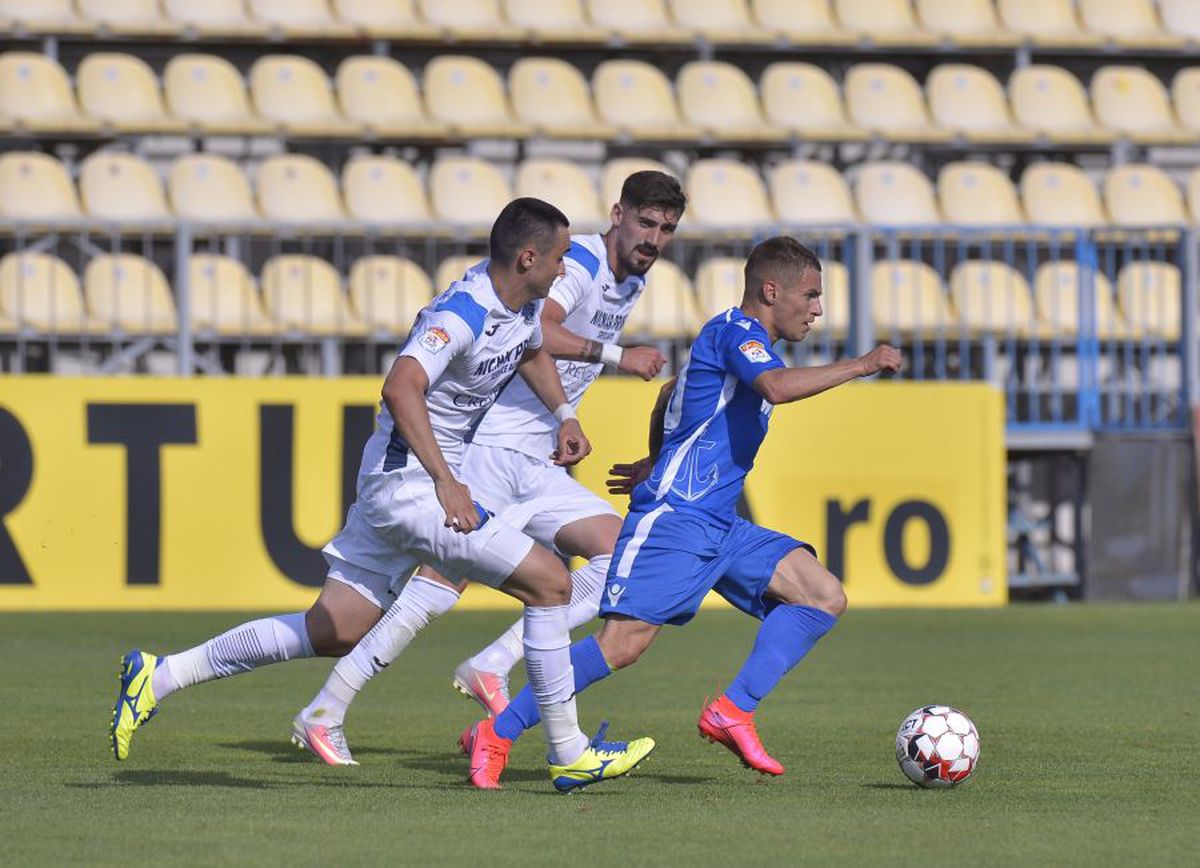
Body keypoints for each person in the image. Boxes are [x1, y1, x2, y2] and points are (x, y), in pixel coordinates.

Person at [109, 198, 654, 793]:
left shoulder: (518, 307)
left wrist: (563, 414)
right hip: (411, 489)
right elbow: (401, 386)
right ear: (529, 257)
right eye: (558, 256)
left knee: (335, 628)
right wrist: (448, 482)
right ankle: (568, 750)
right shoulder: (464, 310)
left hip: (392, 486)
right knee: (549, 582)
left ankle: (160, 675)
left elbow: (528, 352)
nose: (564, 267)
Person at [460, 236, 904, 788]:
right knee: (621, 647)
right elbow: (776, 388)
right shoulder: (736, 333)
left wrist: (656, 455)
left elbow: (671, 392)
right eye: (811, 295)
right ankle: (498, 732)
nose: (818, 308)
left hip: (720, 522)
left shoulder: (747, 343)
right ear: (772, 291)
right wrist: (861, 364)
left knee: (822, 595)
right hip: (678, 518)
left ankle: (733, 711)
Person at [291, 172, 687, 771]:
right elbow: (540, 328)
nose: (654, 237)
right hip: (493, 445)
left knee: (619, 554)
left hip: (532, 452)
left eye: (667, 228)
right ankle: (331, 707)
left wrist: (562, 414)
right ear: (617, 214)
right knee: (440, 586)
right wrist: (614, 357)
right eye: (646, 223)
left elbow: (529, 340)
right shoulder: (577, 261)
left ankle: (488, 666)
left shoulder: (628, 278)